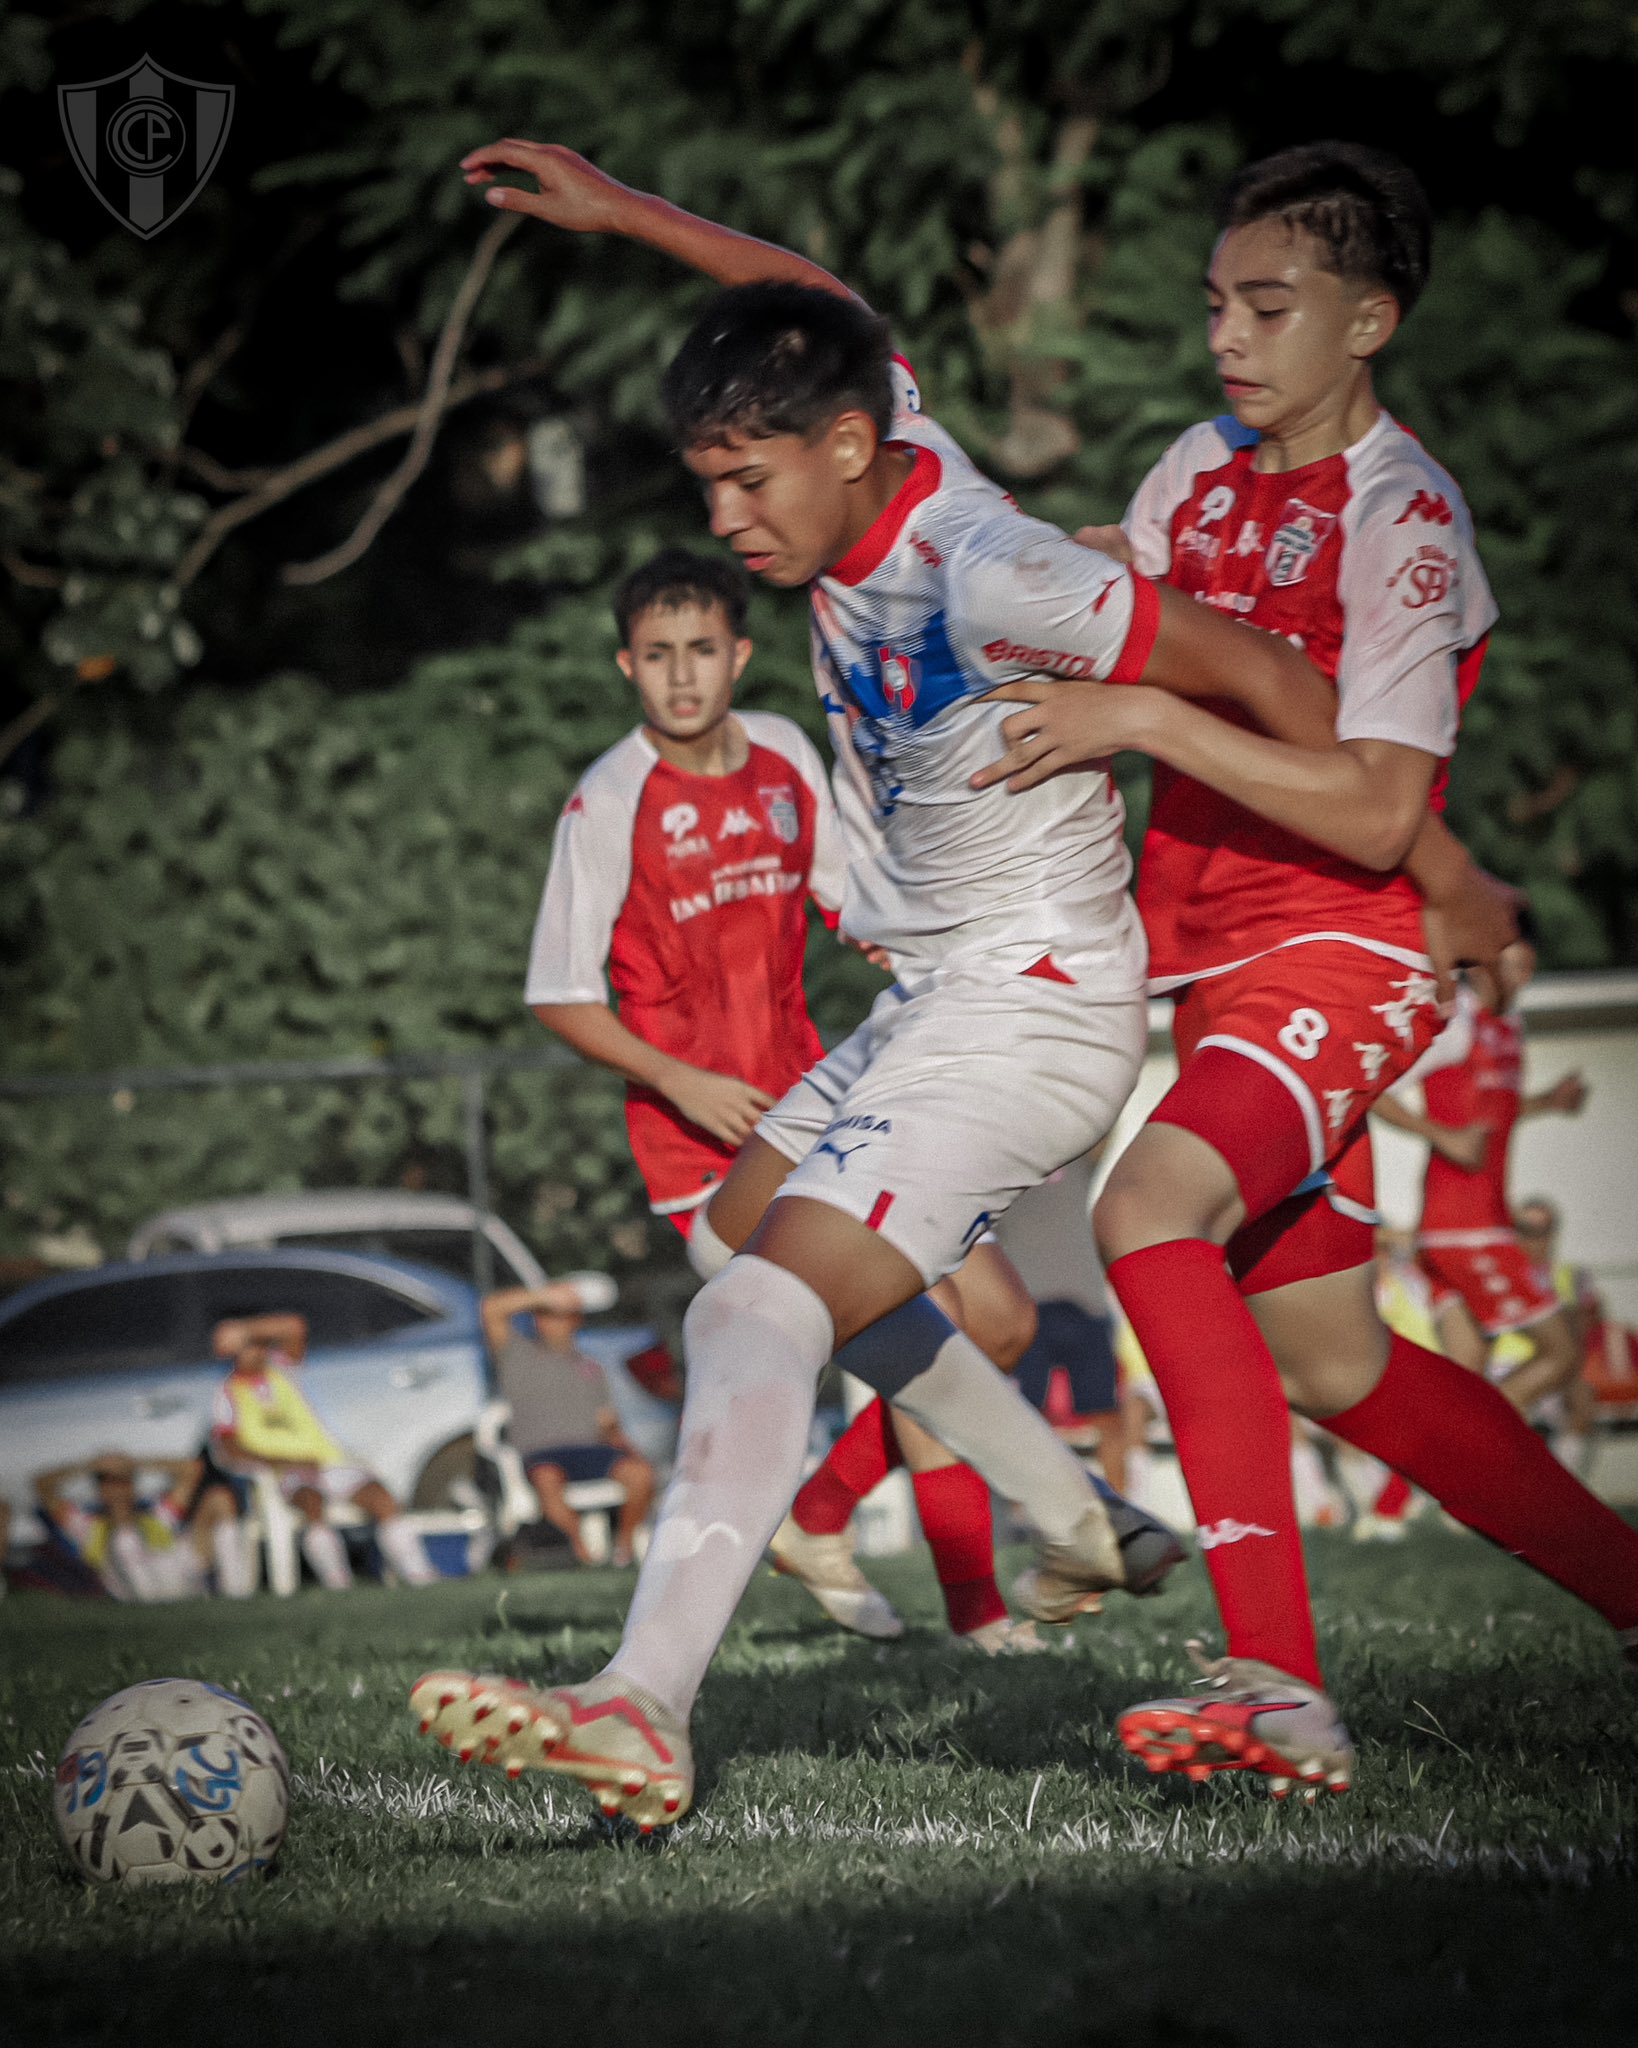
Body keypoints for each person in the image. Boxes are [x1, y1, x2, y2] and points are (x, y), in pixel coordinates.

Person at [409, 134, 1432, 1827]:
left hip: (1026, 1008)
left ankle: (639, 1703)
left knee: (751, 1306)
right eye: (705, 485)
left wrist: (1155, 721)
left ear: (844, 447)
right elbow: (815, 299)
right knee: (740, 1235)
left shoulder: (995, 572)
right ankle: (1074, 1512)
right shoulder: (880, 437)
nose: (724, 521)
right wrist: (618, 211)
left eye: (748, 483)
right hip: (934, 999)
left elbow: (1283, 692)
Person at [967, 141, 1638, 1791]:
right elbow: (1131, 612)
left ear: (1368, 321)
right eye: (1215, 303)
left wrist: (1142, 714)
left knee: (1145, 1214)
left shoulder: (1403, 518)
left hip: (1343, 944)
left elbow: (1379, 806)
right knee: (1336, 1363)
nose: (1225, 338)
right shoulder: (1193, 468)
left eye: (1267, 308)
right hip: (1218, 961)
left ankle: (1274, 1685)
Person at [523, 543, 1048, 1647]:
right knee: (936, 1326)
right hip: (707, 1153)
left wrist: (932, 945)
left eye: (700, 649)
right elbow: (558, 994)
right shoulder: (609, 799)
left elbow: (848, 900)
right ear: (626, 665)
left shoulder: (781, 753)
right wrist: (678, 1078)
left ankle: (816, 1517)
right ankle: (980, 1616)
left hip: (819, 1105)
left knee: (1002, 1320)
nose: (681, 674)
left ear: (739, 654)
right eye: (657, 654)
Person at [1373, 957, 1588, 1411]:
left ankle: (1456, 1448)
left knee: (1466, 1381)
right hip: (1466, 1230)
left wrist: (1548, 1102)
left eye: (1526, 965)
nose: (1523, 975)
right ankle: (1487, 1441)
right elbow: (1376, 1083)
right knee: (1561, 1353)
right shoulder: (1457, 1024)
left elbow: (1494, 1111)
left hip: (1473, 1224)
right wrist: (1441, 1135)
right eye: (1511, 962)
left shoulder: (1508, 1026)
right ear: (1481, 966)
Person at [210, 1313, 438, 1590]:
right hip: (286, 1471)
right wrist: (285, 1461)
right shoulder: (228, 1393)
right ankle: (338, 1583)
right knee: (311, 1503)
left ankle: (420, 1576)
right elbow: (229, 1449)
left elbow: (294, 1327)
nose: (258, 1352)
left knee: (383, 1499)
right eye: (249, 1346)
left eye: (261, 1344)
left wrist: (244, 1329)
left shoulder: (282, 1370)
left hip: (328, 1461)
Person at [482, 1280, 656, 1566]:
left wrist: (630, 1450)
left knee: (641, 1474)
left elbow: (608, 1422)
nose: (549, 1322)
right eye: (544, 1315)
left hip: (591, 1449)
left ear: (576, 1321)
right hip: (543, 1453)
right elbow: (492, 1309)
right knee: (547, 1480)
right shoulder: (516, 1354)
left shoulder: (591, 1367)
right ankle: (583, 1554)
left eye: (560, 1315)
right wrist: (546, 1297)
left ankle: (623, 1550)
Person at [33, 1451, 250, 1602]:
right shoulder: (87, 1527)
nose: (117, 1489)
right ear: (100, 1490)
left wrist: (133, 1463)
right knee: (122, 1538)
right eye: (109, 1482)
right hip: (133, 1589)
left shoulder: (154, 1515)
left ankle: (237, 1596)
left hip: (177, 1573)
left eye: (123, 1481)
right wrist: (90, 1465)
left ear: (132, 1486)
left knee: (219, 1498)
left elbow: (192, 1469)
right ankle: (155, 1604)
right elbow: (41, 1485)